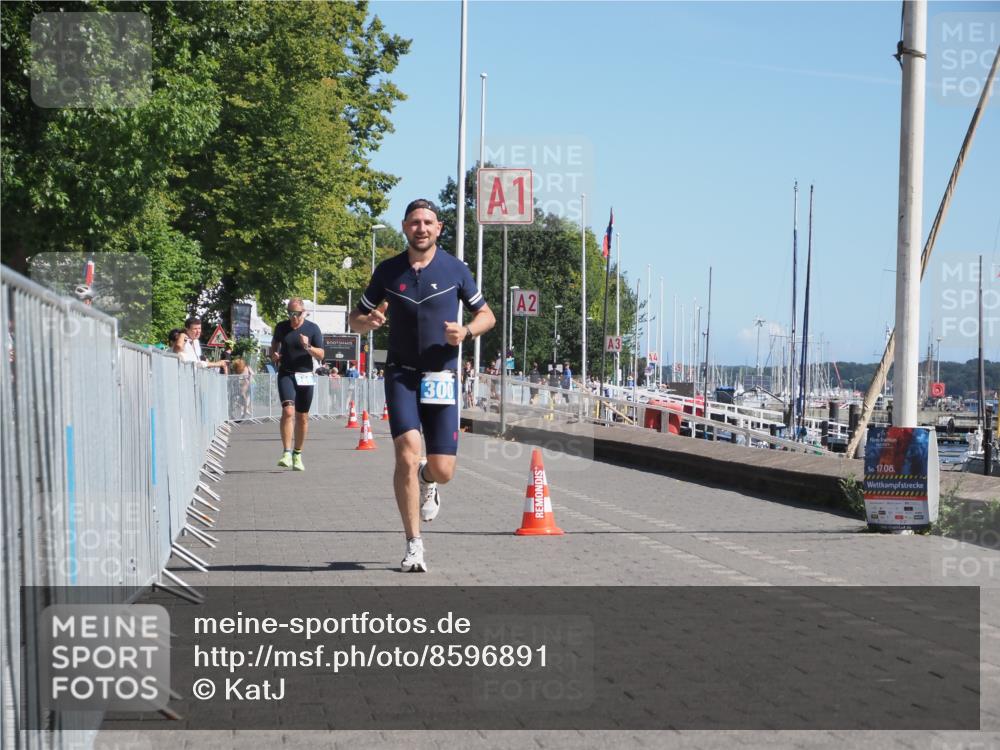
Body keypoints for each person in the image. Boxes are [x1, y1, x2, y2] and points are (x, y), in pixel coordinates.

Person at [350, 199, 496, 572]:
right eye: (415, 222)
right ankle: (414, 545)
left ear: (439, 228)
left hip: (442, 377)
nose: (421, 228)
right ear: (404, 227)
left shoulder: (456, 270)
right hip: (400, 373)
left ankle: (427, 480)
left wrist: (465, 331)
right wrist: (367, 323)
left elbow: (487, 316)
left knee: (444, 469)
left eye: (428, 222)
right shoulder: (388, 271)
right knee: (407, 452)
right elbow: (356, 318)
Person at [270, 298, 324, 471]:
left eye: (297, 314)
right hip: (286, 373)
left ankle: (297, 454)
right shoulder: (281, 327)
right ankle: (286, 452)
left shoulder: (313, 328)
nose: (293, 317)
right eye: (290, 313)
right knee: (288, 411)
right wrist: (274, 355)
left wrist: (307, 346)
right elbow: (274, 344)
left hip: (305, 375)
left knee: (302, 417)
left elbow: (321, 354)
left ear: (304, 312)